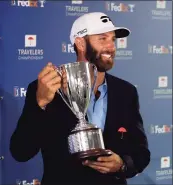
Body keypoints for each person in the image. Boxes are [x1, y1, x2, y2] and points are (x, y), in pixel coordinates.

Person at [10, 12, 150, 185]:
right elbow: (20, 152)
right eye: (102, 38)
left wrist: (122, 164)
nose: (111, 47)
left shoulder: (126, 92)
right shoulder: (47, 88)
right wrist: (41, 104)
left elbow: (141, 151)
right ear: (80, 43)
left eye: (113, 39)